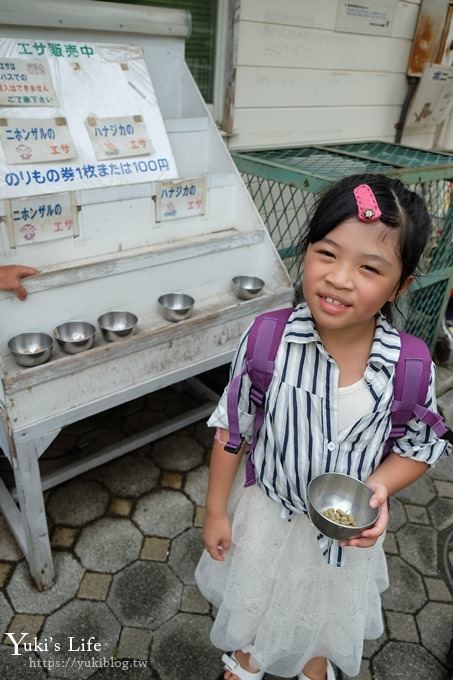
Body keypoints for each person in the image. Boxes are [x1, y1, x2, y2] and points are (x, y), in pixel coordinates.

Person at [195, 174, 451, 680]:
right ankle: (250, 657)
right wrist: (215, 511)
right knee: (259, 597)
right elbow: (232, 429)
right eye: (327, 254)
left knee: (319, 610)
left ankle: (312, 659)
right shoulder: (268, 341)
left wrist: (379, 488)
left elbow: (420, 447)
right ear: (306, 252)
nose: (338, 278)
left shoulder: (411, 366)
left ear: (401, 286)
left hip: (344, 539)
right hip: (267, 517)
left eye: (369, 267)